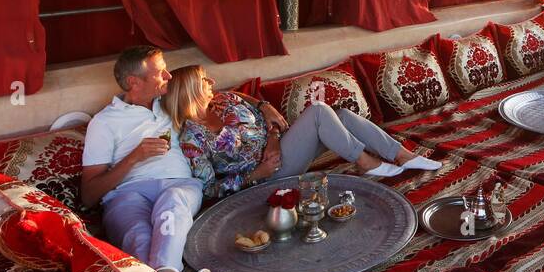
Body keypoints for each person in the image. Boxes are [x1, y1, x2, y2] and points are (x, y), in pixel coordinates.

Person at [163, 64, 441, 197]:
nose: (211, 80)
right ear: (189, 91)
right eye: (203, 79)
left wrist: (268, 121)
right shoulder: (192, 138)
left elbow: (254, 109)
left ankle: (402, 154)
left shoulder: (223, 99)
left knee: (341, 115)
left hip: (282, 144)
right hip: (268, 172)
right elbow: (209, 189)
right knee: (320, 112)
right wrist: (255, 174)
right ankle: (364, 161)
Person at [80, 46, 211, 272]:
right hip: (127, 194)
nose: (169, 76)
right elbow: (89, 195)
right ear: (134, 82)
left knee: (173, 205)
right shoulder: (104, 123)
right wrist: (134, 157)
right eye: (160, 72)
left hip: (179, 184)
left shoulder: (171, 101)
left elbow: (213, 95)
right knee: (139, 237)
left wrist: (265, 107)